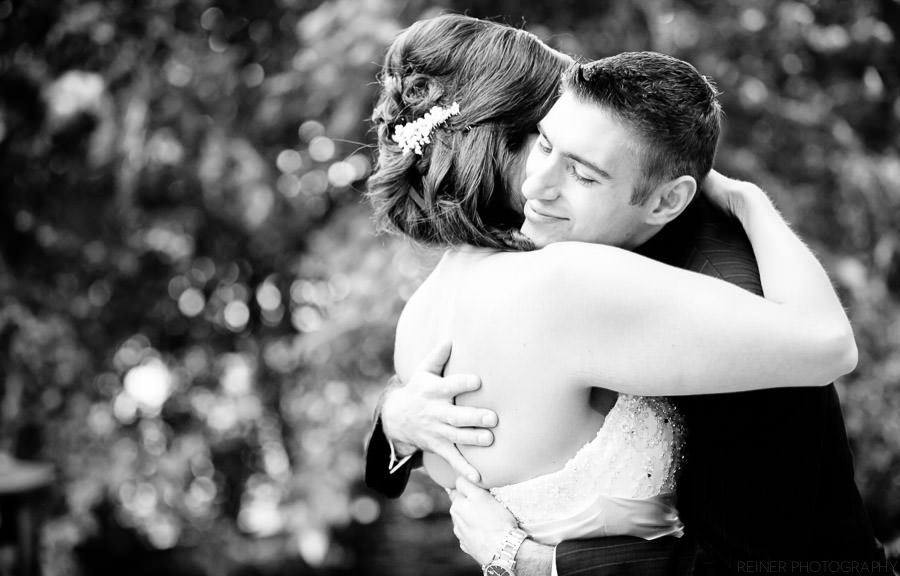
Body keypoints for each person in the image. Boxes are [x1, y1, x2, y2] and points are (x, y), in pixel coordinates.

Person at [364, 14, 887, 576]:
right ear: (498, 143)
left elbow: (782, 545)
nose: (541, 182)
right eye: (545, 141)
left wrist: (532, 560)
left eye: (582, 171)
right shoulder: (555, 277)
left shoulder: (423, 313)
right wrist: (394, 421)